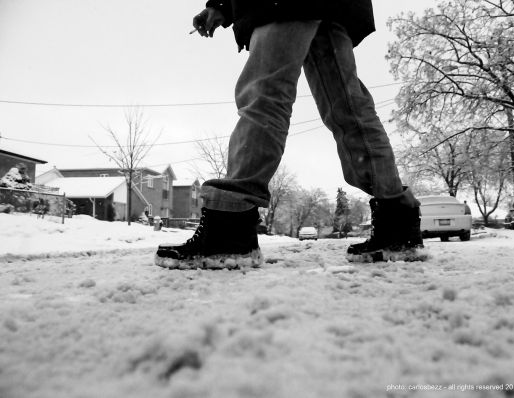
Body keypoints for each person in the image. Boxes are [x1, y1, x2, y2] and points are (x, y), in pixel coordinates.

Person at [155, 0, 423, 270]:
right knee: (348, 108)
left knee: (265, 96)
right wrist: (222, 6)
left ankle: (230, 231)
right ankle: (397, 225)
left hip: (280, 5)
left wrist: (222, 4)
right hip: (337, 8)